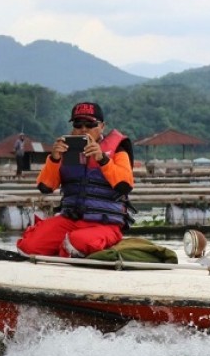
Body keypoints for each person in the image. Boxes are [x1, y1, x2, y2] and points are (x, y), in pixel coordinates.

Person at [16, 102, 135, 258]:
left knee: (75, 243)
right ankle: (64, 247)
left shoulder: (118, 151)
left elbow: (125, 185)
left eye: (90, 124)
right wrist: (54, 158)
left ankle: (73, 247)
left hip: (105, 224)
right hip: (69, 220)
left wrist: (102, 159)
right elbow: (45, 187)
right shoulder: (65, 151)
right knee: (28, 247)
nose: (84, 129)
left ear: (102, 127)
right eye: (78, 124)